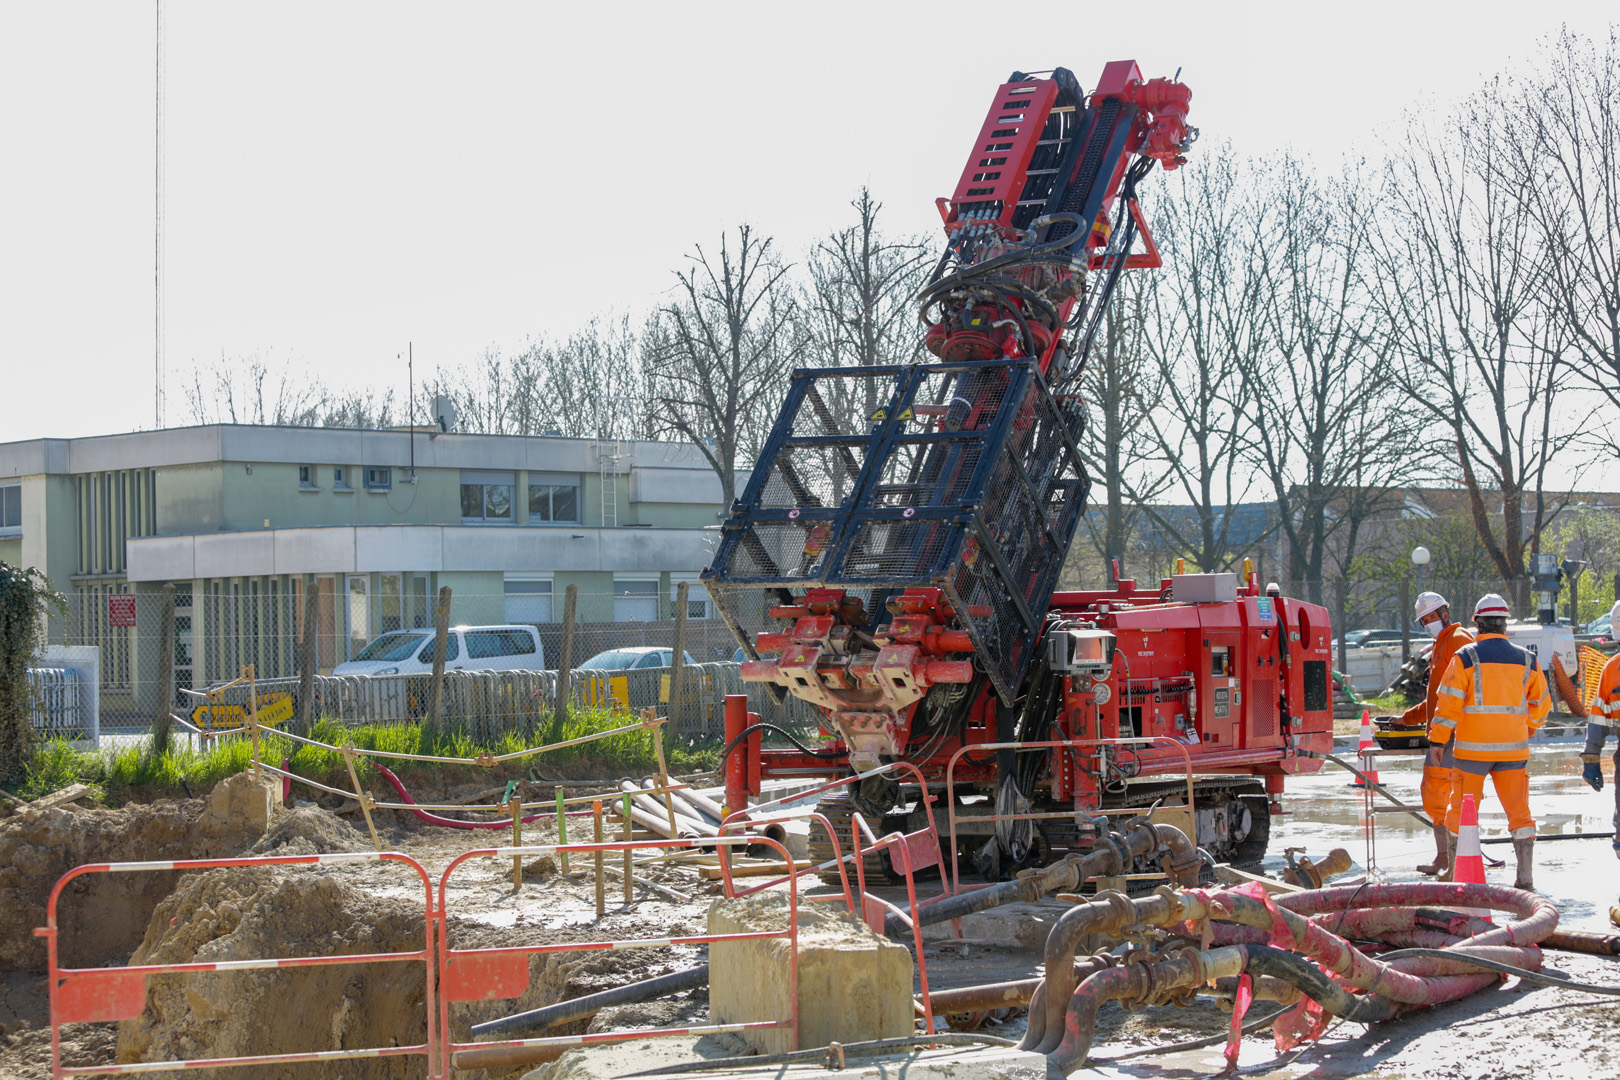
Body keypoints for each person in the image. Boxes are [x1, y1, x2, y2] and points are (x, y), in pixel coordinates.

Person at [1431, 593, 1550, 889]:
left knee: (1460, 809)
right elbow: (1543, 703)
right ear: (1504, 625)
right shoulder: (1527, 659)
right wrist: (1529, 727)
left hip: (1472, 752)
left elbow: (1448, 704)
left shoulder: (1465, 657)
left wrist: (1438, 741)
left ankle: (1455, 874)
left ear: (1478, 624)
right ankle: (1525, 878)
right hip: (1514, 750)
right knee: (1520, 814)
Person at [1395, 591, 1473, 876]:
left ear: (1445, 614)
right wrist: (1406, 718)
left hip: (1451, 733)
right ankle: (1446, 857)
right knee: (1437, 796)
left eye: (1431, 617)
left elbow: (1461, 693)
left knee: (1442, 796)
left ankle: (1450, 859)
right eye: (1424, 620)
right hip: (1443, 731)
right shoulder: (1442, 643)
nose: (1429, 623)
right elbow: (1439, 696)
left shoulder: (1458, 640)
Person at [1579, 599, 1620, 925]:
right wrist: (1591, 759)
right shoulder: (1611, 669)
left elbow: (1599, 720)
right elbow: (1600, 716)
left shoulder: (1612, 669)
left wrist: (1592, 758)